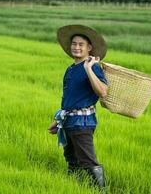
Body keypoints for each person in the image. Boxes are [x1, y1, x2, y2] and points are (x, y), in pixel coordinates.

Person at [48, 24, 108, 191]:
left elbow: (102, 91)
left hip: (82, 123)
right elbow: (68, 99)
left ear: (89, 48)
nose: (76, 47)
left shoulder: (94, 68)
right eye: (74, 44)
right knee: (72, 160)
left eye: (81, 44)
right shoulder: (70, 69)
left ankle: (100, 190)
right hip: (68, 122)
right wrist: (57, 120)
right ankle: (74, 187)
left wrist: (88, 68)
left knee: (88, 161)